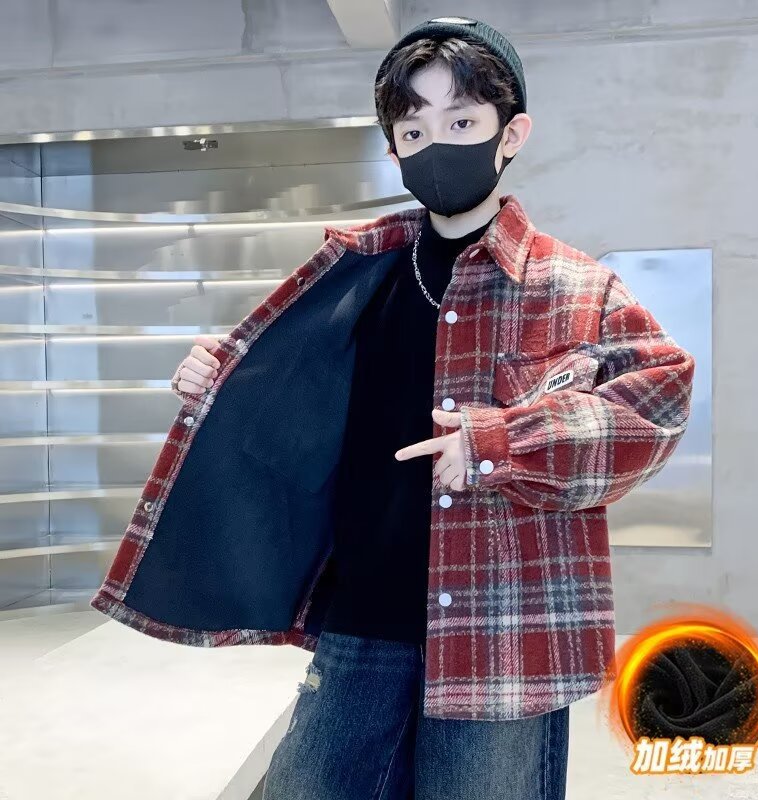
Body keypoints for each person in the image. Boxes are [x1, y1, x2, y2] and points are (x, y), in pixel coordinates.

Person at [113, 17, 695, 800]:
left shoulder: (574, 287)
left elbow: (658, 404)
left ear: (511, 134)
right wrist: (221, 375)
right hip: (362, 616)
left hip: (504, 632)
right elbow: (293, 395)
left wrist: (501, 442)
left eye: (462, 122)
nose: (436, 145)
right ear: (394, 151)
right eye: (414, 130)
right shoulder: (355, 270)